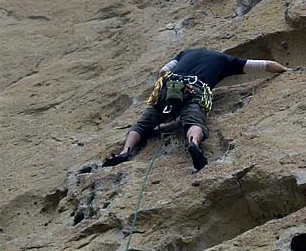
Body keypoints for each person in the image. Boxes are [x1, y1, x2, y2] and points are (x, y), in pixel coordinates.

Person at [103, 48, 288, 171]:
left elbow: (162, 72)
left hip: (168, 88)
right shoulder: (225, 60)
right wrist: (287, 72)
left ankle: (125, 152)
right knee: (193, 120)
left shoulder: (185, 53)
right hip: (196, 88)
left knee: (142, 125)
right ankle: (193, 142)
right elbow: (266, 65)